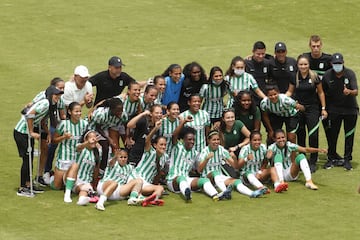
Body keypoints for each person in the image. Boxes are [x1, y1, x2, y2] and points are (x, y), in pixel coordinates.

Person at [14, 86, 63, 197]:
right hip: (22, 132)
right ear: (50, 95)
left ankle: (28, 184)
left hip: (25, 133)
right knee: (27, 159)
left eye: (59, 96)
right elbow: (30, 114)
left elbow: (42, 122)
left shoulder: (49, 106)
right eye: (56, 95)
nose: (58, 98)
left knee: (30, 158)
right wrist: (31, 132)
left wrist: (48, 134)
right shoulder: (45, 103)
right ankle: (22, 187)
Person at [167, 119, 226, 202]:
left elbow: (198, 169)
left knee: (204, 180)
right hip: (173, 180)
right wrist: (183, 122)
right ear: (183, 140)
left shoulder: (195, 153)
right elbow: (174, 135)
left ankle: (216, 195)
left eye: (193, 140)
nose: (192, 141)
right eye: (189, 139)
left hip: (186, 179)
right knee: (181, 178)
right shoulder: (178, 147)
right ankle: (187, 195)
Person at [198, 130, 266, 199]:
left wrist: (234, 157)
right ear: (209, 141)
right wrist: (206, 159)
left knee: (237, 181)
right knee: (216, 173)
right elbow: (199, 170)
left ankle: (252, 193)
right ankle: (225, 191)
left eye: (218, 139)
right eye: (214, 140)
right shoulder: (205, 151)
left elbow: (235, 167)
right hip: (207, 177)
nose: (216, 142)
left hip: (219, 177)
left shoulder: (222, 150)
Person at [303, 35, 337, 163]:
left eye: (318, 46)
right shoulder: (305, 58)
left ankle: (332, 153)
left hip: (326, 100)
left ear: (321, 45)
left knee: (329, 128)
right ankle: (310, 156)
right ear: (309, 46)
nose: (316, 49)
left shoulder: (328, 59)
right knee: (311, 130)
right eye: (313, 46)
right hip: (311, 101)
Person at [322, 53, 358, 170]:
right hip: (334, 109)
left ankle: (347, 159)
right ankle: (331, 158)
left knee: (349, 135)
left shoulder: (350, 74)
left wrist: (349, 92)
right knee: (333, 134)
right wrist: (324, 109)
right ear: (332, 64)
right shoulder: (327, 75)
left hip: (350, 109)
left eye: (340, 63)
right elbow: (323, 92)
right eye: (335, 64)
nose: (338, 66)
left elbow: (356, 91)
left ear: (343, 63)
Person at [293, 54, 327, 173]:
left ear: (309, 65)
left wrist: (323, 108)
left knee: (313, 134)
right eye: (301, 64)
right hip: (299, 109)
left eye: (305, 64)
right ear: (297, 65)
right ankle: (303, 160)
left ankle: (313, 161)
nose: (303, 66)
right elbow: (290, 92)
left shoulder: (314, 76)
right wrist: (294, 103)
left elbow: (321, 92)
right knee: (301, 135)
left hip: (313, 108)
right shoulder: (295, 77)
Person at [127, 120, 167, 206]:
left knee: (160, 188)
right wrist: (155, 129)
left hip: (146, 183)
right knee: (140, 182)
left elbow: (157, 175)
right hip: (136, 178)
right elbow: (147, 140)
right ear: (155, 145)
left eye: (164, 145)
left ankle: (152, 200)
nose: (163, 147)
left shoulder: (165, 157)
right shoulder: (150, 151)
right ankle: (134, 198)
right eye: (161, 144)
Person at [50, 102, 88, 190]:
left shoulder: (84, 124)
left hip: (78, 158)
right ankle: (53, 177)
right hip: (64, 158)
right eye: (76, 111)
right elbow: (54, 140)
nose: (79, 113)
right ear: (70, 112)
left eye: (80, 111)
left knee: (72, 183)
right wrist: (64, 137)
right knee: (57, 187)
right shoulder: (63, 124)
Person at [87, 98, 127, 175]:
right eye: (118, 111)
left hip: (104, 129)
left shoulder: (123, 114)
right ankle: (93, 169)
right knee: (99, 149)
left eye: (121, 110)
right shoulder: (101, 114)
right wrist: (109, 139)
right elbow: (97, 127)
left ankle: (101, 171)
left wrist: (127, 137)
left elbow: (125, 124)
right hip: (92, 129)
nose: (120, 112)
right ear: (111, 109)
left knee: (106, 148)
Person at [63, 130, 100, 205]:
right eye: (91, 138)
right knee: (75, 165)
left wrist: (94, 186)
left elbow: (96, 170)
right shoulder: (81, 147)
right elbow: (79, 147)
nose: (94, 139)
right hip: (72, 177)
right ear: (86, 139)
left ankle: (82, 199)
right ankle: (67, 194)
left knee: (85, 189)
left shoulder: (97, 152)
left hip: (84, 182)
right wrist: (87, 143)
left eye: (95, 137)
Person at [218, 108, 250, 178]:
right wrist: (226, 152)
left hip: (237, 148)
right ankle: (235, 172)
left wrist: (238, 146)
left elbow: (250, 137)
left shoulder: (238, 123)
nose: (231, 119)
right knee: (232, 156)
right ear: (223, 119)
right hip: (223, 151)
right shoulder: (218, 127)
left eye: (232, 117)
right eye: (228, 118)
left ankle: (238, 170)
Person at [245, 41, 273, 105]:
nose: (261, 56)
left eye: (263, 54)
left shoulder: (267, 63)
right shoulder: (246, 63)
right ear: (253, 52)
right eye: (258, 54)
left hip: (264, 97)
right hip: (251, 99)